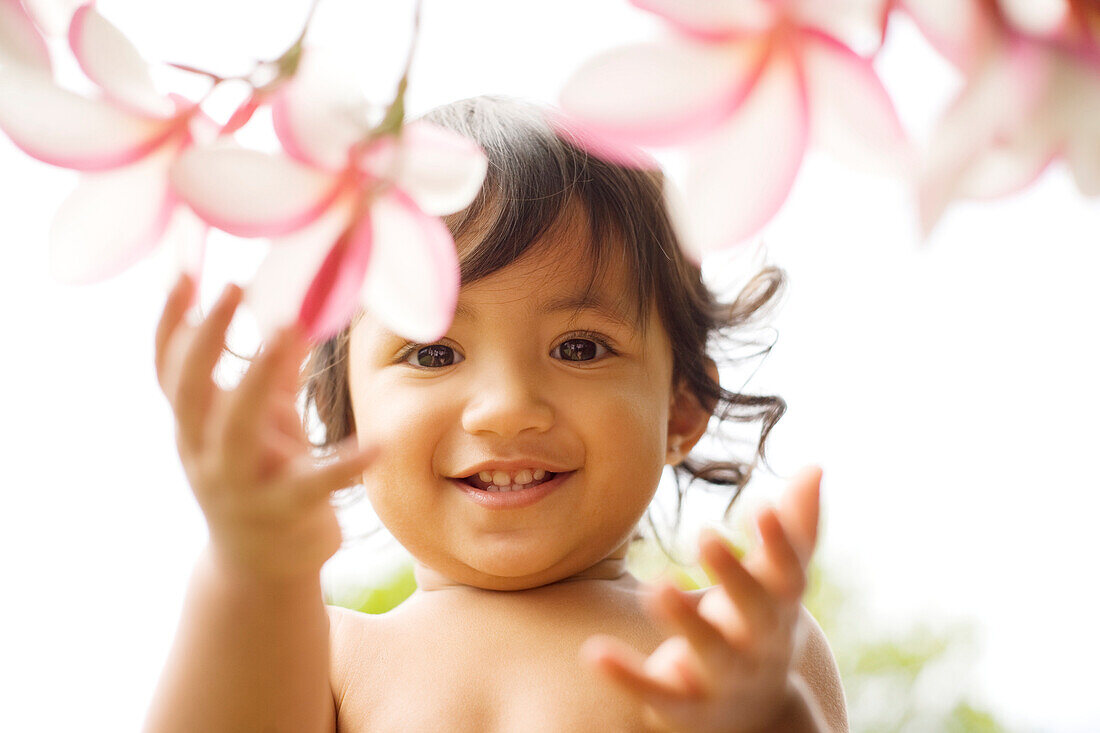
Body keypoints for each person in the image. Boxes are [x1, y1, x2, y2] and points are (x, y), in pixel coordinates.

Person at [144, 96, 848, 732]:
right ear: (345, 417)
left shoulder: (724, 649)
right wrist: (253, 566)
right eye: (433, 354)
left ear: (681, 407)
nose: (506, 407)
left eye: (579, 346)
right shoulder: (329, 659)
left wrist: (770, 718)